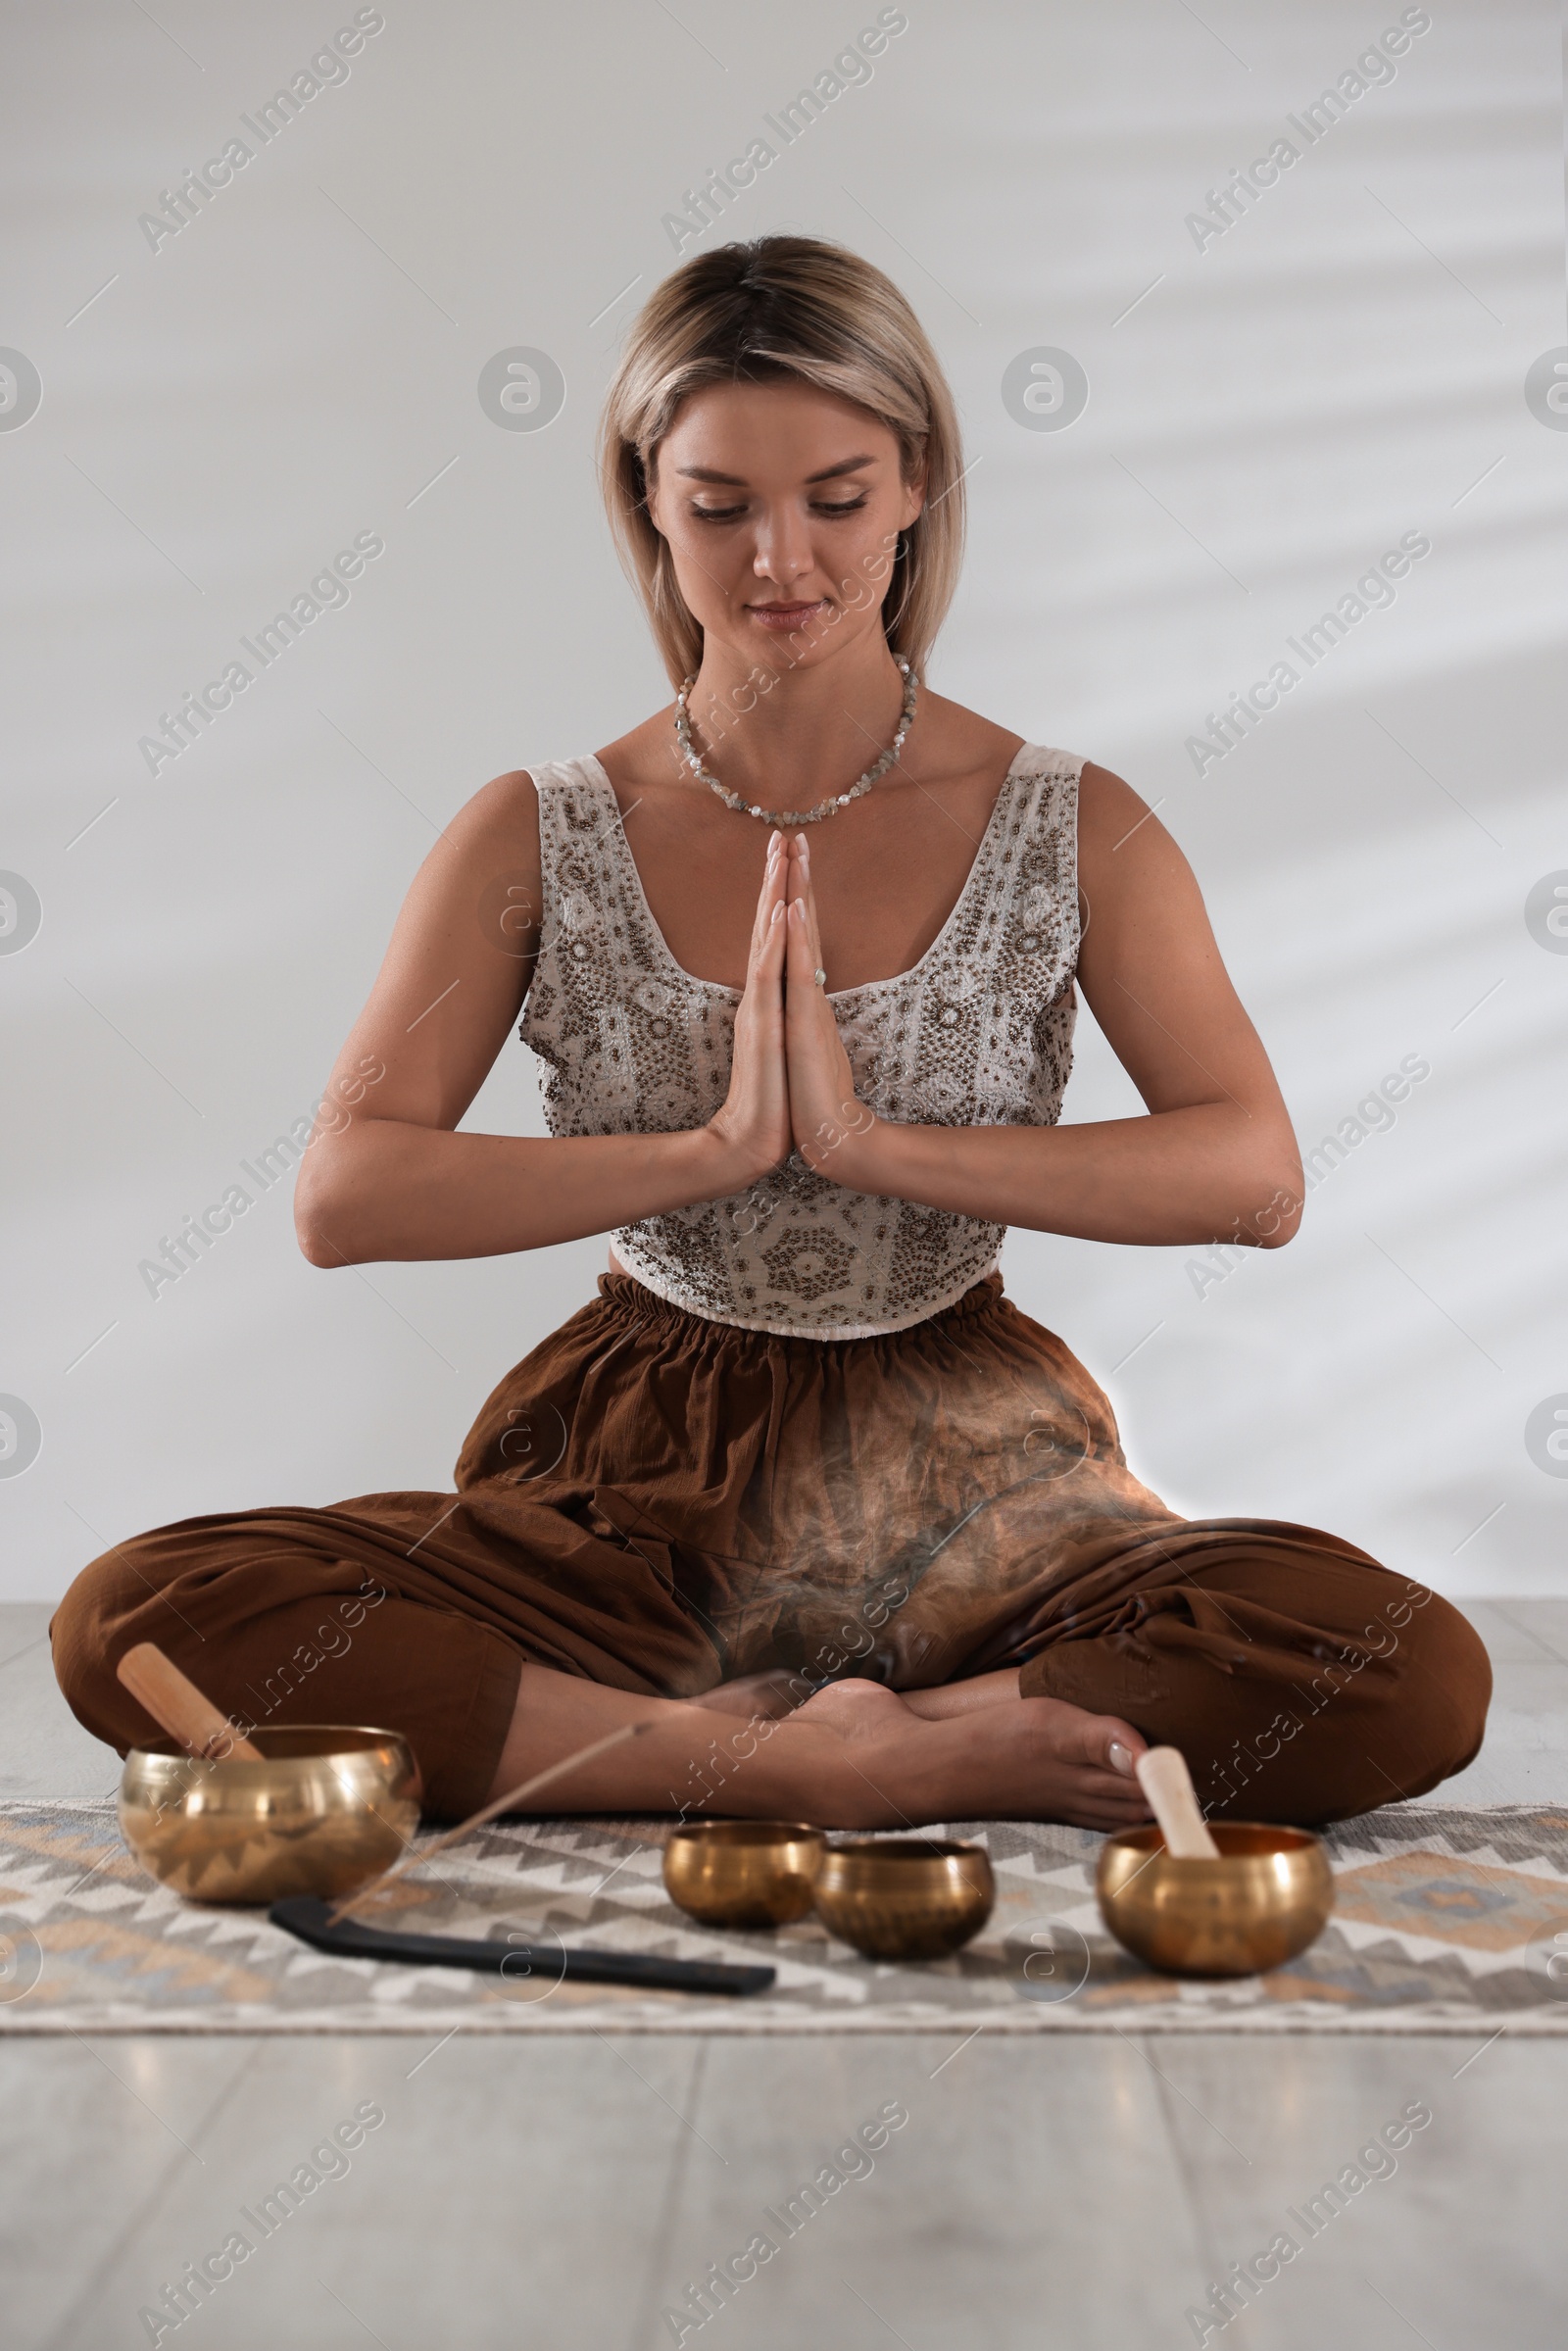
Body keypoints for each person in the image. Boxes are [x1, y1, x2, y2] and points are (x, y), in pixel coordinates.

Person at [52, 234, 1490, 1832]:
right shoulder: (534, 831)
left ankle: (809, 1732)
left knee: (1407, 1664)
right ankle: (827, 1760)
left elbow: (1257, 1177)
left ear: (921, 479)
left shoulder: (1075, 822)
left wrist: (877, 1150)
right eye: (719, 504)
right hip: (631, 1492)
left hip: (983, 1486)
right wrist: (708, 1154)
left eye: (838, 496)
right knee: (132, 1619)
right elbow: (346, 1195)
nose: (778, 561)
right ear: (648, 500)